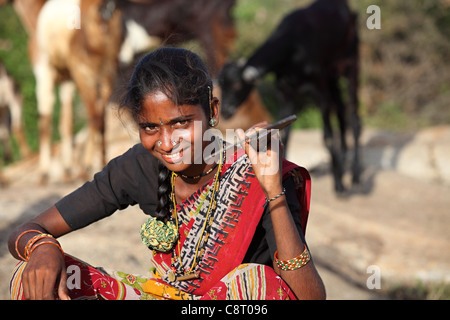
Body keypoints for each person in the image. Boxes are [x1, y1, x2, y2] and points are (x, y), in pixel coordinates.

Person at [8, 47, 325, 300]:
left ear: (212, 112)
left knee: (254, 282)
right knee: (35, 274)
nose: (167, 142)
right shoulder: (140, 166)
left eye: (181, 123)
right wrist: (43, 248)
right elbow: (29, 229)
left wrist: (272, 191)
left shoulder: (256, 168)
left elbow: (309, 297)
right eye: (150, 127)